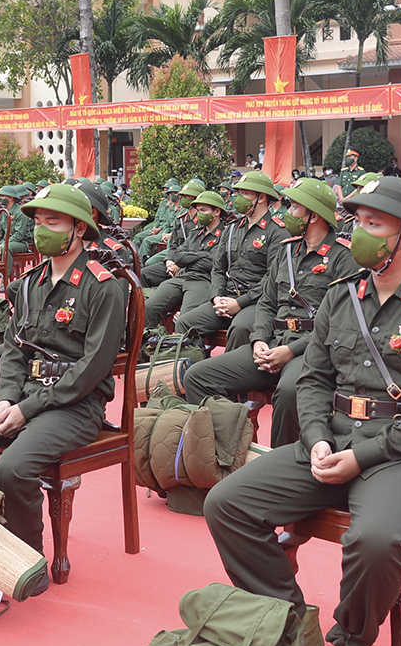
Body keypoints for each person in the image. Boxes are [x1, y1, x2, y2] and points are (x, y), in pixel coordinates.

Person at [203, 176, 401, 646]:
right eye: (357, 221)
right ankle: (290, 620)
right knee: (227, 504)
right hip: (332, 441)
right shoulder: (341, 296)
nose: (358, 232)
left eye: (373, 223)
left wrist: (364, 455)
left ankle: (354, 643)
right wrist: (314, 441)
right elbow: (313, 381)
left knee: (376, 539)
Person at [0, 185, 127, 569]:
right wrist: (6, 397)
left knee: (14, 469)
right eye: (37, 222)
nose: (41, 230)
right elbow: (13, 349)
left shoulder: (103, 287)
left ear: (79, 229)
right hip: (24, 394)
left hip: (75, 406)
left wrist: (27, 409)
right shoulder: (30, 282)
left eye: (53, 222)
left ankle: (25, 560)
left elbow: (92, 369)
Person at [183, 178, 358, 445]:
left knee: (290, 391)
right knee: (198, 377)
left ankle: (281, 466)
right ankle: (223, 450)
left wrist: (290, 351)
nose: (288, 212)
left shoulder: (344, 257)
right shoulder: (287, 250)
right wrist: (260, 339)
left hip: (311, 349)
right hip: (273, 341)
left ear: (314, 216)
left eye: (295, 207)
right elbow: (267, 302)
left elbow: (337, 321)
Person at [176, 170, 286, 341]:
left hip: (257, 301)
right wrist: (217, 297)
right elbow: (218, 268)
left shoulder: (277, 231)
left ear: (262, 198)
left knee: (240, 328)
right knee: (185, 322)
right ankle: (195, 364)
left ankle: (226, 367)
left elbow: (271, 278)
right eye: (239, 193)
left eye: (245, 193)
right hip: (227, 296)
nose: (238, 198)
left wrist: (239, 304)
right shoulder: (233, 228)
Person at [144, 189, 223, 329]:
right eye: (198, 210)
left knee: (186, 318)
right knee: (150, 307)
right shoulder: (196, 233)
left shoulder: (225, 234)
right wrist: (202, 254)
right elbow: (178, 256)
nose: (199, 214)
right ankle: (149, 343)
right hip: (182, 276)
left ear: (217, 212)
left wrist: (191, 257)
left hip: (203, 280)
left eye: (203, 210)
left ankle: (185, 349)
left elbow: (213, 262)